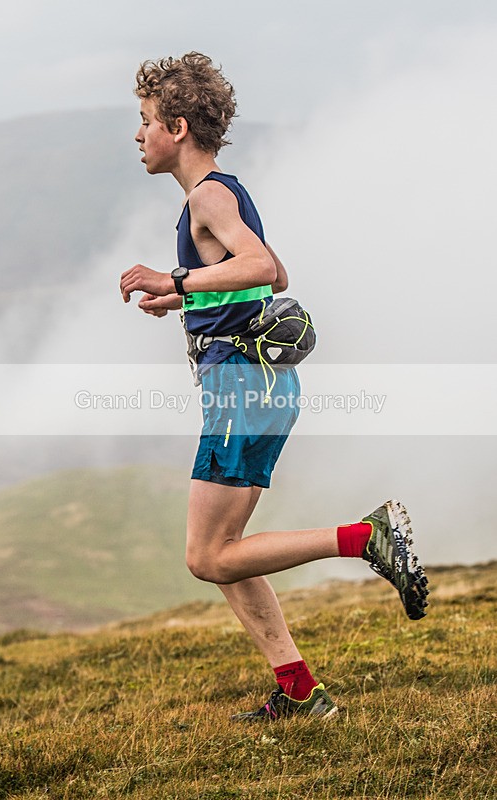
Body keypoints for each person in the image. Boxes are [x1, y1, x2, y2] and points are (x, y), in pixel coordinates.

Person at [119, 52, 429, 721]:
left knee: (206, 556)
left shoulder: (207, 195)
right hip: (257, 384)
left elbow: (266, 268)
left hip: (243, 388)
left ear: (176, 125)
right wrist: (184, 303)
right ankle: (297, 689)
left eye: (145, 122)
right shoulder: (216, 194)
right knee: (227, 554)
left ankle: (366, 537)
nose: (138, 135)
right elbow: (252, 277)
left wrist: (170, 281)